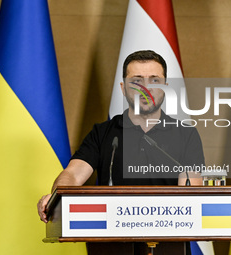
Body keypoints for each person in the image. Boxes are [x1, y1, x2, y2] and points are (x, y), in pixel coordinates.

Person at [38, 50, 204, 254]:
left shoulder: (185, 134)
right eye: (137, 81)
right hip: (110, 246)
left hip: (167, 247)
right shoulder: (102, 133)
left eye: (154, 80)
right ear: (123, 88)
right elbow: (72, 175)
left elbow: (191, 193)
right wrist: (58, 195)